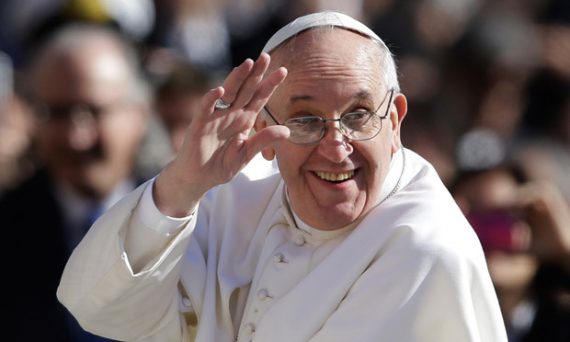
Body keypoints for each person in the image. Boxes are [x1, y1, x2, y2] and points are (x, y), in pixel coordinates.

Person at [57, 12, 508, 341]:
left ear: (395, 122)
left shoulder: (424, 249)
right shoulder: (235, 196)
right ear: (263, 131)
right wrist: (177, 188)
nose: (336, 145)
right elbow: (98, 308)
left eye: (357, 115)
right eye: (306, 119)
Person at [2, 24, 149, 341]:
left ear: (139, 113)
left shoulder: (192, 219)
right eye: (57, 113)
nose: (76, 138)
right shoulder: (8, 227)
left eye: (93, 112)